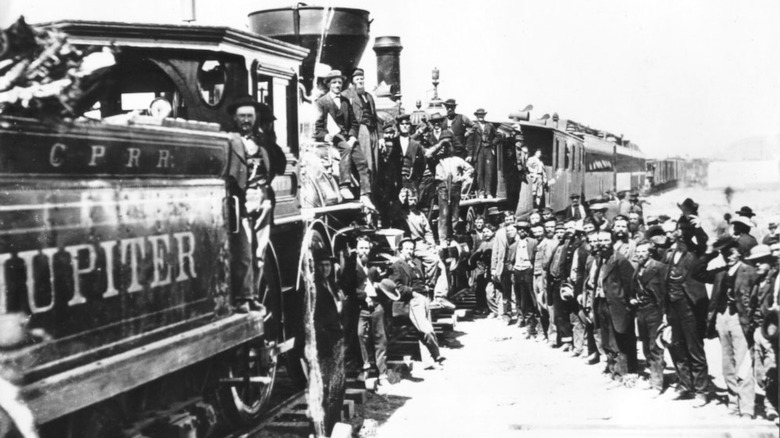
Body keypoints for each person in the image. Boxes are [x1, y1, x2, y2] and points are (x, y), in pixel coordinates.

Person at [226, 95, 286, 313]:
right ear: (235, 118)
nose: (245, 120)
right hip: (240, 203)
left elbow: (280, 163)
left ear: (256, 118)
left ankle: (253, 296)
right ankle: (242, 297)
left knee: (259, 252)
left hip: (263, 200)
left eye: (249, 116)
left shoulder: (263, 142)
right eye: (241, 116)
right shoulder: (229, 140)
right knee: (243, 252)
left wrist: (268, 134)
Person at [693, 237, 757, 418]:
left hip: (740, 319)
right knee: (727, 362)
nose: (728, 256)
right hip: (722, 317)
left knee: (743, 363)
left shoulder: (749, 271)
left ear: (740, 253)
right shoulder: (721, 272)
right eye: (724, 253)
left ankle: (746, 407)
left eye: (732, 253)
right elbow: (697, 273)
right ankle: (733, 402)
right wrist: (710, 252)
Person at [314, 69, 375, 209]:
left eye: (339, 82)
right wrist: (325, 135)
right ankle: (344, 185)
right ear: (329, 84)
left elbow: (354, 123)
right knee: (346, 148)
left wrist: (353, 137)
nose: (337, 85)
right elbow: (317, 127)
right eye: (334, 82)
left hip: (348, 136)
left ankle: (365, 195)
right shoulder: (321, 102)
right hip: (334, 136)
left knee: (362, 161)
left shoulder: (346, 101)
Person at [387, 238, 445, 368]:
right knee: (426, 330)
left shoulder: (414, 263)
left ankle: (429, 361)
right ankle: (436, 354)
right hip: (413, 300)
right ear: (400, 250)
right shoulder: (396, 265)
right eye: (407, 248)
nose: (410, 251)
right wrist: (413, 292)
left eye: (411, 249)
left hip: (424, 298)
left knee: (423, 332)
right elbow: (395, 286)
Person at [340, 236, 388, 389]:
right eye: (361, 248)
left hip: (377, 306)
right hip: (361, 308)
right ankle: (365, 367)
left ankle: (382, 373)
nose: (364, 251)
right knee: (360, 335)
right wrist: (364, 295)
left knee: (380, 338)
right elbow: (346, 287)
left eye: (366, 248)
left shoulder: (373, 265)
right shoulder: (350, 267)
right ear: (356, 249)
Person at [399, 188, 453, 310]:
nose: (412, 202)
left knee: (441, 264)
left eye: (414, 199)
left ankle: (440, 295)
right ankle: (429, 286)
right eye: (410, 199)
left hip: (423, 244)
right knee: (433, 260)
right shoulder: (403, 213)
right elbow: (397, 209)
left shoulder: (420, 214)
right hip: (412, 243)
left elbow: (428, 232)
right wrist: (402, 199)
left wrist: (432, 246)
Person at [311, 248, 346, 435]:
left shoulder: (331, 285)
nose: (326, 268)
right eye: (322, 265)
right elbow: (313, 318)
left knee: (338, 386)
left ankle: (333, 425)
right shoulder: (315, 287)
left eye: (328, 265)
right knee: (327, 388)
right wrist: (323, 339)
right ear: (316, 266)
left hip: (337, 338)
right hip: (326, 342)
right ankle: (324, 429)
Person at [595, 230, 638, 380]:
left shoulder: (619, 260)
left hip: (616, 305)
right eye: (600, 240)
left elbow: (630, 283)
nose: (602, 243)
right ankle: (612, 369)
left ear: (612, 242)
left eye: (606, 240)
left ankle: (621, 373)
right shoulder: (601, 259)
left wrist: (627, 303)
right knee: (606, 339)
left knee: (617, 340)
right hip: (602, 303)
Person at [746, 245, 779, 421]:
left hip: (771, 330)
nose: (757, 264)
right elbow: (752, 304)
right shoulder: (758, 282)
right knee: (759, 370)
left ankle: (771, 405)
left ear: (770, 262)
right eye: (754, 261)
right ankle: (768, 400)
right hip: (757, 328)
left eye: (761, 261)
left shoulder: (774, 281)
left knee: (771, 367)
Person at [633, 239, 667, 393]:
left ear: (650, 252)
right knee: (646, 345)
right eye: (638, 251)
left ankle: (657, 384)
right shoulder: (637, 268)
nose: (640, 254)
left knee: (655, 347)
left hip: (655, 310)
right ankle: (652, 375)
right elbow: (634, 287)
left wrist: (665, 313)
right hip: (641, 310)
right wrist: (632, 298)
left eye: (643, 251)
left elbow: (665, 292)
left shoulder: (659, 267)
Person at [342, 68, 379, 188]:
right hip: (360, 131)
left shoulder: (369, 96)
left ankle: (372, 191)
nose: (360, 81)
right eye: (357, 79)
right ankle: (364, 191)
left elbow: (375, 117)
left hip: (372, 131)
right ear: (352, 81)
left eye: (362, 79)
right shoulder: (346, 95)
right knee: (365, 162)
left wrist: (382, 137)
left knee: (375, 163)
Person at [435, 140, 474, 244]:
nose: (445, 150)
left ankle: (452, 237)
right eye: (443, 148)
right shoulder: (438, 160)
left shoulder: (457, 160)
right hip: (443, 186)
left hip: (455, 186)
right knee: (444, 214)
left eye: (447, 147)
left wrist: (462, 178)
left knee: (455, 214)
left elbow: (470, 169)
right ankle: (443, 238)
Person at [513, 220, 538, 335]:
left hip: (528, 270)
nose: (522, 231)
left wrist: (532, 266)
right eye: (519, 229)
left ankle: (532, 325)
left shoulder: (533, 242)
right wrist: (512, 268)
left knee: (529, 297)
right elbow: (509, 260)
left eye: (524, 229)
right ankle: (523, 319)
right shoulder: (514, 245)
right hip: (518, 271)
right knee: (519, 297)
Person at [469, 108, 498, 198]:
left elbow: (497, 136)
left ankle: (488, 192)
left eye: (482, 115)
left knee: (489, 171)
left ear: (484, 115)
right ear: (476, 116)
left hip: (488, 149)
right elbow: (470, 141)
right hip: (478, 151)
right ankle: (481, 191)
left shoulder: (490, 125)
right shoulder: (474, 126)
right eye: (478, 115)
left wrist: (492, 143)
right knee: (479, 171)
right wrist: (470, 154)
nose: (480, 116)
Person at [395, 114, 426, 195]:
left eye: (407, 124)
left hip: (411, 180)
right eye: (402, 124)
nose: (405, 126)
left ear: (410, 126)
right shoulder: (393, 142)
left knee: (412, 204)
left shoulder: (416, 144)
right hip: (396, 180)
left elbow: (422, 163)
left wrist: (415, 175)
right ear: (398, 126)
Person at [470, 223, 497, 315]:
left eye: (488, 231)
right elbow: (476, 255)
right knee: (480, 287)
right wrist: (471, 263)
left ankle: (495, 309)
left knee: (493, 290)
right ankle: (483, 307)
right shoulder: (483, 244)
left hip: (495, 268)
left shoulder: (496, 242)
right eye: (484, 232)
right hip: (485, 269)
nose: (485, 233)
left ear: (493, 232)